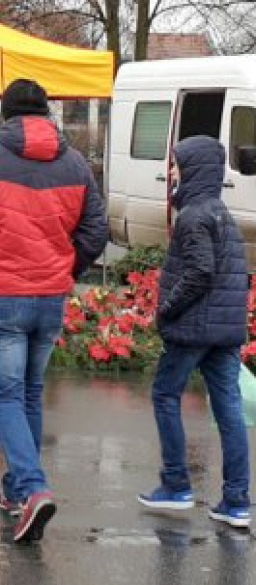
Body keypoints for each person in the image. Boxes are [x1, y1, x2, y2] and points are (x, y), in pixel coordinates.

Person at [0, 79, 107, 542]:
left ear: (7, 113)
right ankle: (16, 490)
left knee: (6, 397)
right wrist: (65, 267)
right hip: (48, 297)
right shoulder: (75, 162)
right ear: (46, 112)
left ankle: (33, 488)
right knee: (30, 393)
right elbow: (95, 230)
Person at [137, 136, 251, 530]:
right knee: (229, 410)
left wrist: (166, 311)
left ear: (194, 169)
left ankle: (176, 486)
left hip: (192, 330)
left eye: (176, 164)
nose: (171, 172)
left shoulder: (193, 216)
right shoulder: (222, 214)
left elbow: (200, 272)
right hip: (224, 334)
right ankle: (236, 501)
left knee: (165, 395)